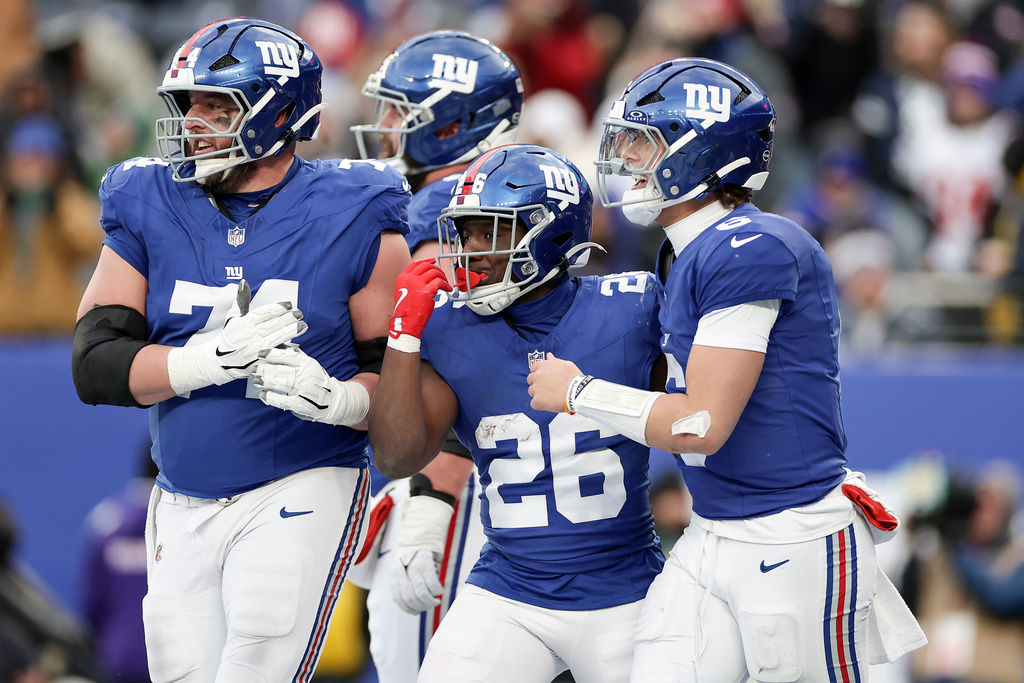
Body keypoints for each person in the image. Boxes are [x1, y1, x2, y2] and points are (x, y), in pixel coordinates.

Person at [527, 57, 927, 682]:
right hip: (712, 530)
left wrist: (578, 392)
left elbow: (700, 425)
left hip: (792, 537)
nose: (624, 156)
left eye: (642, 140)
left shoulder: (751, 246)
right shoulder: (683, 251)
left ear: (699, 152)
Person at [70, 17, 411, 683]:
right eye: (190, 103)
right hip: (181, 492)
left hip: (304, 478)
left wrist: (341, 401)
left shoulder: (355, 207)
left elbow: (399, 389)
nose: (194, 120)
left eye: (218, 105)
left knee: (258, 659)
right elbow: (94, 360)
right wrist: (207, 361)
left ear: (280, 112)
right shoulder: (148, 199)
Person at [367, 143, 665, 682]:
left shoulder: (635, 306)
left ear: (551, 234)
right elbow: (396, 455)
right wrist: (402, 336)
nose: (472, 251)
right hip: (508, 589)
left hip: (626, 590)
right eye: (468, 233)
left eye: (492, 232)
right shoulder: (447, 325)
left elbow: (697, 417)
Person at [340, 29, 522, 683]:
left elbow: (454, 352)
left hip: (460, 481)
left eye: (401, 111)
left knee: (423, 662)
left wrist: (434, 478)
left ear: (452, 123)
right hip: (511, 477)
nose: (384, 125)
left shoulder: (451, 205)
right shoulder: (512, 195)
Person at [80, 441, 156, 683]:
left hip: (117, 662)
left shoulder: (106, 521)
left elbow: (92, 603)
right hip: (177, 662)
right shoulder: (188, 522)